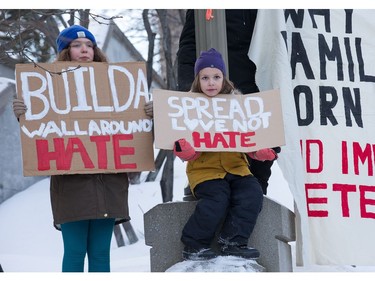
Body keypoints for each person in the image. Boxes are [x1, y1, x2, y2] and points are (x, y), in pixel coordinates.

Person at [12, 25, 153, 272]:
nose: (85, 50)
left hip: (109, 185)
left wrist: (149, 113)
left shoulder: (115, 86)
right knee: (75, 253)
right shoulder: (49, 87)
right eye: (77, 46)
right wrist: (25, 113)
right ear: (65, 52)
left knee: (100, 254)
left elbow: (133, 126)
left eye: (89, 45)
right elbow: (42, 129)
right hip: (71, 186)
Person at [173, 48, 277, 260]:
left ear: (224, 79)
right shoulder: (188, 108)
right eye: (205, 77)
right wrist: (187, 151)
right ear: (197, 80)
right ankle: (194, 244)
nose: (211, 82)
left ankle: (233, 241)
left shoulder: (238, 106)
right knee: (217, 199)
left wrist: (260, 152)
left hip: (237, 168)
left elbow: (247, 139)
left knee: (252, 193)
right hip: (205, 172)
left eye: (216, 77)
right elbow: (183, 147)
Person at [177, 9, 280, 195]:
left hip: (258, 93)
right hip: (213, 97)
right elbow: (188, 46)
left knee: (257, 175)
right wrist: (188, 90)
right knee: (212, 171)